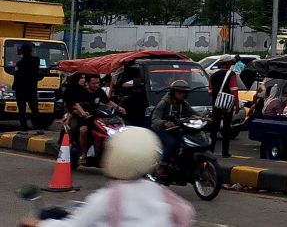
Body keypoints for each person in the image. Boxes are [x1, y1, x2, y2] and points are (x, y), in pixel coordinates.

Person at [20, 126, 194, 227]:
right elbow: (185, 213)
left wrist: (38, 224)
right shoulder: (158, 192)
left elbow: (74, 225)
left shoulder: (109, 198)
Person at [73, 74, 125, 162]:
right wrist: (82, 112)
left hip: (97, 117)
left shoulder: (100, 91)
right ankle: (84, 154)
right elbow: (76, 104)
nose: (96, 85)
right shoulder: (81, 92)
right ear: (87, 83)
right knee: (83, 130)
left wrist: (119, 108)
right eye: (94, 83)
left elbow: (108, 102)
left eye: (98, 83)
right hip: (85, 118)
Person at [151, 80, 198, 169]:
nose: (182, 94)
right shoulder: (164, 103)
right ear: (173, 92)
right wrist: (164, 123)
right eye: (179, 92)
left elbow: (193, 113)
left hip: (177, 130)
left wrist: (205, 118)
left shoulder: (184, 103)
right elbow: (155, 119)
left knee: (191, 140)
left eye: (184, 92)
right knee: (171, 143)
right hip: (162, 130)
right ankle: (162, 166)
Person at [207, 55, 237, 157]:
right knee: (226, 128)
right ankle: (225, 152)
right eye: (230, 62)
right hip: (228, 104)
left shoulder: (213, 75)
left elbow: (210, 92)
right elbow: (234, 91)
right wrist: (236, 105)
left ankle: (211, 151)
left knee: (214, 128)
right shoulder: (232, 74)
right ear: (228, 63)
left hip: (216, 104)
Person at [10, 43, 41, 133]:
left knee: (22, 109)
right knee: (34, 109)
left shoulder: (20, 63)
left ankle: (24, 129)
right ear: (31, 51)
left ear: (22, 52)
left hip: (20, 89)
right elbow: (37, 73)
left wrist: (14, 86)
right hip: (32, 88)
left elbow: (17, 76)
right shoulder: (36, 60)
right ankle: (38, 128)